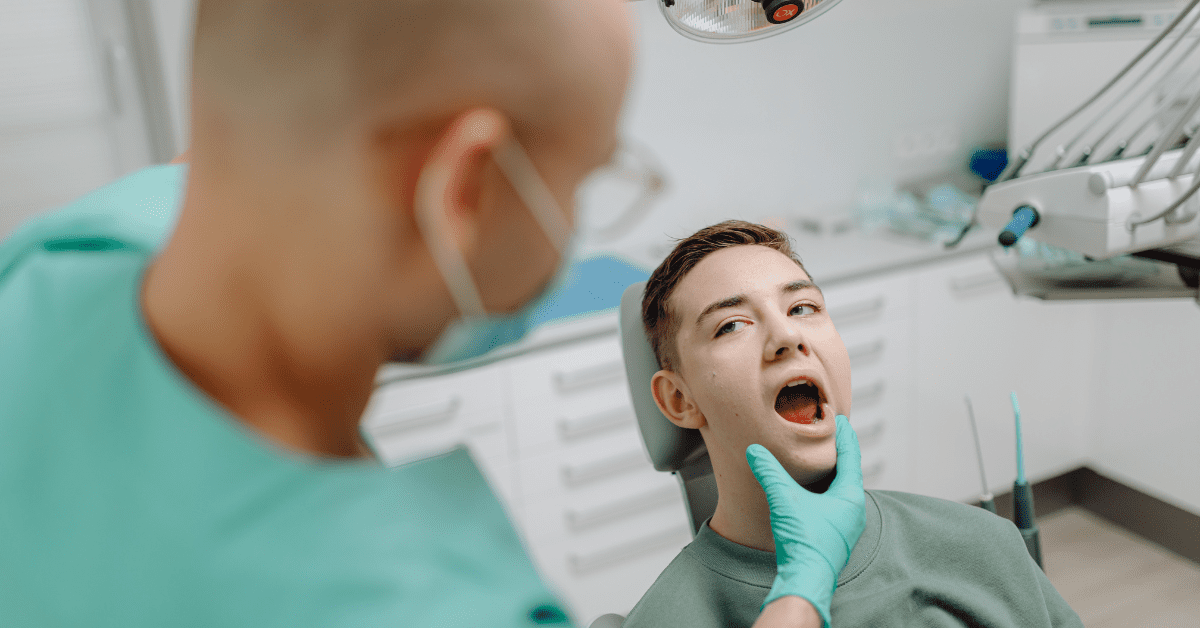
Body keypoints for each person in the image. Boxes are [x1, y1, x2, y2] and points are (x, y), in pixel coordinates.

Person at [0, 3, 844, 627]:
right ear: (462, 194)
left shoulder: (64, 256)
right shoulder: (427, 604)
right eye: (578, 183)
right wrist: (802, 596)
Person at [621, 220, 1085, 628]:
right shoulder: (666, 619)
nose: (787, 335)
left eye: (803, 308)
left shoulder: (982, 545)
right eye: (732, 325)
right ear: (680, 400)